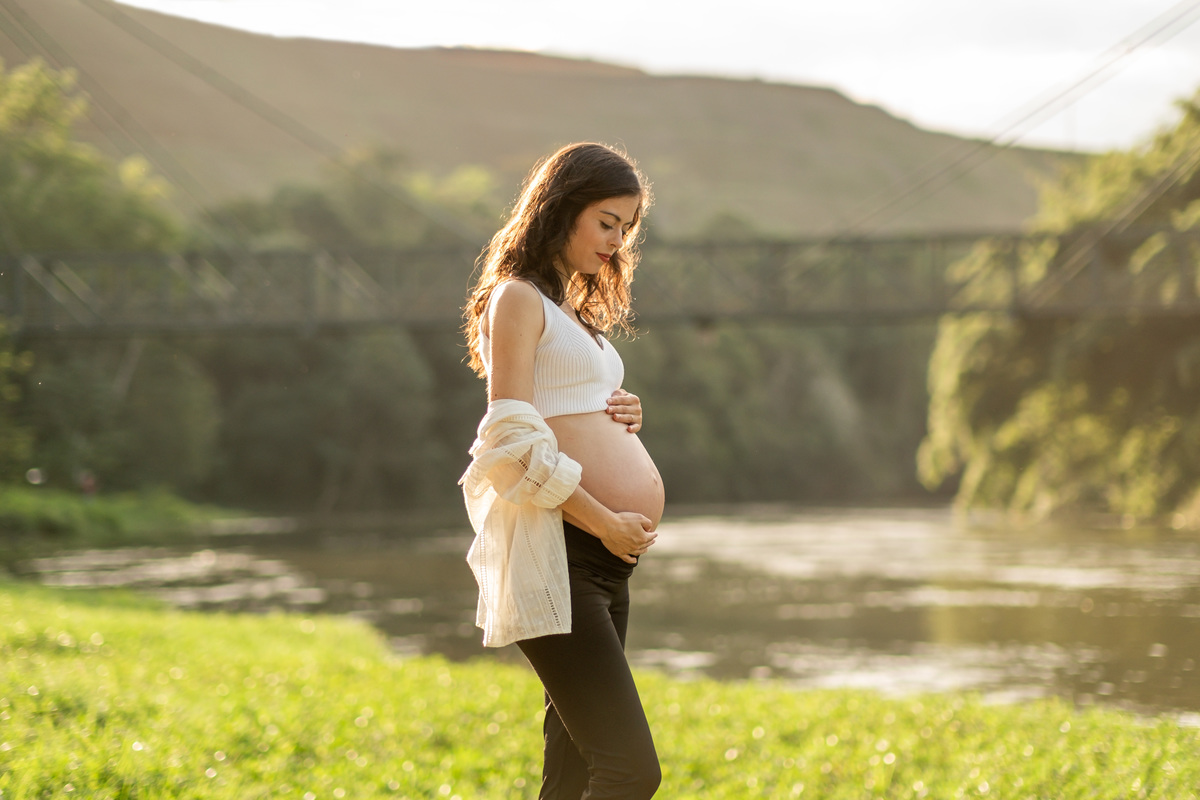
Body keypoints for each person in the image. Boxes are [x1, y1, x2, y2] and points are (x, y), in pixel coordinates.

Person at [461, 142, 664, 799]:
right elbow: (508, 441)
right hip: (564, 552)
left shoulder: (572, 310)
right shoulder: (518, 298)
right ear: (561, 208)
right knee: (630, 771)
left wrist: (624, 413)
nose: (616, 242)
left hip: (605, 562)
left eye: (625, 228)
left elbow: (566, 410)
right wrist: (604, 521)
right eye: (606, 222)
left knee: (573, 775)